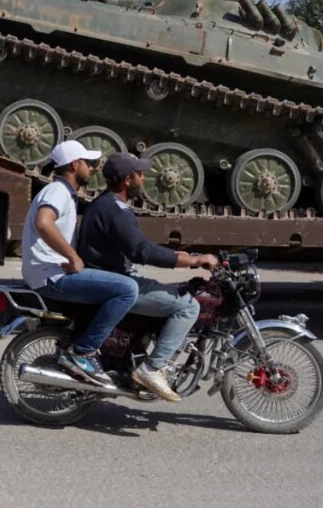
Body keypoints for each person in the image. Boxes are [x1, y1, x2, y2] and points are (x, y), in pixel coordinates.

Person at [79, 152, 219, 402]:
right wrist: (193, 261)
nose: (144, 179)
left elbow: (140, 245)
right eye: (140, 174)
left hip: (112, 277)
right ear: (127, 180)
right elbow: (142, 251)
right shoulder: (114, 211)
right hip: (117, 283)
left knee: (170, 294)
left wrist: (184, 254)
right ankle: (152, 369)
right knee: (188, 306)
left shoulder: (108, 204)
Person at [20, 140, 140, 387]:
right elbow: (44, 223)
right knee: (127, 289)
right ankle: (83, 352)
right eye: (89, 163)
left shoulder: (65, 193)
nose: (94, 168)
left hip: (50, 272)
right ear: (75, 165)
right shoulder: (57, 191)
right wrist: (72, 256)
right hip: (51, 276)